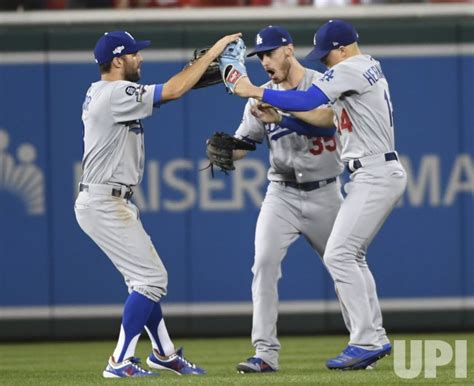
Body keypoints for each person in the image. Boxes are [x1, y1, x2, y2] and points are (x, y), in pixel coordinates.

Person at [231, 19, 407, 370]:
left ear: (342, 48)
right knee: (347, 257)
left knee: (341, 256)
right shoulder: (364, 67)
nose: (324, 60)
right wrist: (277, 118)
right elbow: (320, 119)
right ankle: (367, 338)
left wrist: (253, 90)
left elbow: (313, 101)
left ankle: (368, 340)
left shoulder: (348, 69)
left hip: (365, 174)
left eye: (327, 54)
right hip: (308, 186)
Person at [74, 30, 241, 378]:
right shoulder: (114, 93)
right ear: (118, 60)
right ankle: (119, 361)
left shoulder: (102, 91)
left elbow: (173, 88)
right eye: (135, 54)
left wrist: (193, 71)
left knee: (142, 281)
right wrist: (211, 55)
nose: (141, 59)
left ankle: (164, 353)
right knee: (152, 279)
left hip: (106, 199)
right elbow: (174, 90)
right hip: (105, 201)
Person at [229, 26, 344, 373]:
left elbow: (329, 122)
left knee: (346, 266)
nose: (264, 61)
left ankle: (364, 343)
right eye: (260, 56)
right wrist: (226, 152)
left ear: (289, 51)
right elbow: (243, 142)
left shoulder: (323, 83)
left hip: (326, 191)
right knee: (263, 264)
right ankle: (264, 353)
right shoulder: (259, 96)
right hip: (281, 193)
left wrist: (284, 117)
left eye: (269, 53)